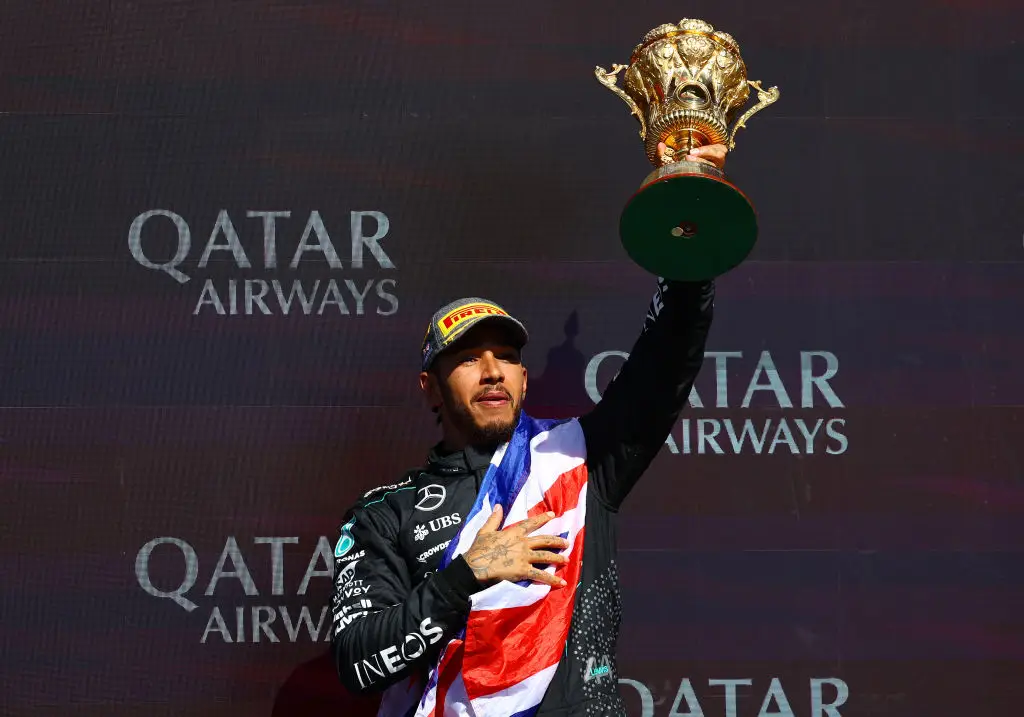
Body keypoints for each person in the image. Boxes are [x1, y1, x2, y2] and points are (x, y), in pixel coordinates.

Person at [330, 143, 725, 716]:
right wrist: (465, 576)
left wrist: (688, 199)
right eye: (468, 358)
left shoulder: (579, 457)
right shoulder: (385, 513)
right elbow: (358, 664)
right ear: (430, 388)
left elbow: (665, 360)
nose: (492, 371)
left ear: (523, 376)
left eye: (507, 356)